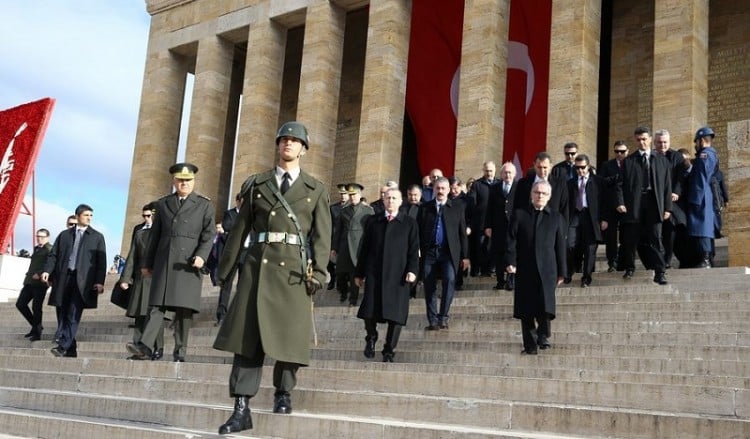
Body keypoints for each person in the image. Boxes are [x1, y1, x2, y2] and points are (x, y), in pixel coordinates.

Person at [213, 121, 331, 435]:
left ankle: (283, 391)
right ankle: (241, 409)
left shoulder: (315, 189)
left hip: (294, 271)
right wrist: (224, 271)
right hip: (257, 268)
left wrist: (319, 272)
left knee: (289, 338)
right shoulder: (256, 184)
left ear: (303, 149)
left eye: (295, 140)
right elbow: (239, 231)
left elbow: (321, 236)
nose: (288, 144)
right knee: (246, 340)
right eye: (284, 139)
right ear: (277, 145)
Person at [126, 162, 215, 362]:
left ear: (194, 181)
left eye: (188, 180)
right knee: (156, 306)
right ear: (174, 181)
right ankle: (145, 346)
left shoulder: (204, 204)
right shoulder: (163, 204)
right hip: (164, 262)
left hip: (188, 264)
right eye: (181, 180)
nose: (184, 183)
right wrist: (146, 264)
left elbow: (208, 235)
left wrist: (202, 255)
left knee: (184, 311)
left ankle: (180, 351)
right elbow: (154, 237)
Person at [355, 188, 419, 362]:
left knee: (396, 316)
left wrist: (413, 271)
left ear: (400, 201)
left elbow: (414, 250)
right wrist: (359, 273)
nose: (390, 201)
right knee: (368, 311)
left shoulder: (409, 223)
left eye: (394, 198)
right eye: (387, 198)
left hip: (399, 275)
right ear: (383, 201)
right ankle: (371, 336)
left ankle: (389, 350)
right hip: (374, 273)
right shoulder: (373, 221)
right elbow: (364, 249)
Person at [505, 180, 566, 355]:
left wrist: (562, 271)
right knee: (525, 309)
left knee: (545, 306)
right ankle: (530, 345)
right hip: (524, 268)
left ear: (549, 197)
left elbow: (560, 245)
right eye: (537, 192)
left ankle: (543, 336)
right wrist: (510, 261)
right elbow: (511, 241)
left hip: (547, 269)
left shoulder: (555, 217)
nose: (540, 196)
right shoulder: (520, 214)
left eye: (543, 193)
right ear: (531, 194)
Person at [42, 204, 107, 357]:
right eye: (86, 215)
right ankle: (71, 349)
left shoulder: (97, 237)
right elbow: (53, 255)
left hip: (83, 281)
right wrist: (47, 271)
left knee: (73, 313)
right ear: (77, 216)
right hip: (64, 278)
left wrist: (99, 281)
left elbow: (101, 262)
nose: (89, 218)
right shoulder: (64, 235)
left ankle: (63, 346)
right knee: (62, 312)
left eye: (91, 215)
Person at [616, 126, 672, 284]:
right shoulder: (629, 161)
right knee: (631, 239)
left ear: (650, 139)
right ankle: (630, 267)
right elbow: (620, 184)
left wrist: (668, 207)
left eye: (644, 139)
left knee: (656, 238)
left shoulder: (661, 160)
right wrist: (620, 202)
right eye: (638, 140)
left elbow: (667, 186)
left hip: (655, 204)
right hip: (635, 204)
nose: (641, 142)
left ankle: (660, 272)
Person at [417, 176, 469, 330]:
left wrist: (465, 256)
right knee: (429, 285)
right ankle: (432, 320)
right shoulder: (425, 208)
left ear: (448, 190)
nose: (440, 191)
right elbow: (418, 231)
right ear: (434, 189)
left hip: (448, 253)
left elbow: (462, 234)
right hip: (430, 253)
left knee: (450, 280)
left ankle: (443, 317)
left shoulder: (457, 209)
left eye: (443, 188)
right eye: (438, 188)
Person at [118, 203, 164, 360]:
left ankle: (158, 348)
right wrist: (125, 278)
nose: (147, 219)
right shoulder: (140, 234)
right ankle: (137, 348)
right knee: (139, 314)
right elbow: (132, 257)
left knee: (155, 315)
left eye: (150, 216)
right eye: (145, 216)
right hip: (141, 278)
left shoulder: (166, 234)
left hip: (159, 279)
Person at [332, 183, 374, 305]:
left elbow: (371, 231)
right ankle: (343, 291)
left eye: (354, 195)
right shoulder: (344, 211)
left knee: (354, 273)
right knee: (339, 273)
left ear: (360, 195)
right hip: (344, 246)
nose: (352, 197)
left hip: (358, 246)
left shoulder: (368, 211)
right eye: (350, 195)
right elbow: (338, 231)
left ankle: (353, 299)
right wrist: (334, 247)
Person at [566, 154, 604, 288]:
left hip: (590, 217)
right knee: (569, 244)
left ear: (588, 166)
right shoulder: (570, 183)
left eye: (582, 167)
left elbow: (603, 202)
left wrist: (604, 219)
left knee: (590, 248)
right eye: (577, 168)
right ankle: (570, 270)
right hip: (575, 216)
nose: (580, 171)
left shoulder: (598, 181)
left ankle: (586, 277)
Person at [686, 126, 719, 268]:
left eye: (696, 142)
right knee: (703, 227)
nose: (695, 145)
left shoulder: (705, 154)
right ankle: (708, 259)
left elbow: (701, 177)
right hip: (703, 194)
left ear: (701, 140)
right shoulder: (708, 154)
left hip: (701, 195)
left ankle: (705, 259)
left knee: (702, 227)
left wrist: (695, 198)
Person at [653, 129, 686, 269]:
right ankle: (658, 259)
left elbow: (680, 177)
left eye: (665, 142)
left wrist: (676, 192)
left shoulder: (677, 156)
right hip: (654, 200)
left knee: (672, 227)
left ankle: (667, 259)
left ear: (669, 142)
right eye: (659, 142)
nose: (662, 145)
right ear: (655, 143)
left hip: (671, 200)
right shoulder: (651, 157)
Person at [15, 228, 52, 341]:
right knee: (20, 304)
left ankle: (37, 332)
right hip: (29, 281)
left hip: (40, 283)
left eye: (42, 237)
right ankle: (36, 326)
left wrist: (41, 273)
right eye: (38, 236)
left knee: (36, 307)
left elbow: (51, 263)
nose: (39, 239)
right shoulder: (36, 249)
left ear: (47, 237)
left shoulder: (49, 249)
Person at [515, 152, 570, 227]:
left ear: (550, 166)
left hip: (551, 227)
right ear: (534, 165)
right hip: (527, 226)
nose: (542, 171)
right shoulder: (523, 183)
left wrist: (563, 230)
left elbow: (564, 208)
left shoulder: (560, 184)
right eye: (539, 167)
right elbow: (517, 205)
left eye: (545, 167)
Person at [485, 162, 516, 290]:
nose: (507, 175)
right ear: (501, 174)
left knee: (511, 252)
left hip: (513, 226)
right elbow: (489, 208)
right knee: (498, 254)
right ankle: (500, 281)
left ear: (514, 174)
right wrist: (488, 226)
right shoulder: (495, 188)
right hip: (498, 227)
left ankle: (510, 280)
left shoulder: (518, 187)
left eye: (510, 172)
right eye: (505, 172)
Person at [598, 141, 628, 271]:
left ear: (627, 151)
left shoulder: (631, 163)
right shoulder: (607, 165)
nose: (619, 154)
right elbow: (601, 183)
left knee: (626, 235)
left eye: (622, 151)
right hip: (610, 207)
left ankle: (624, 261)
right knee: (611, 237)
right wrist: (615, 178)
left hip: (628, 206)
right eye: (616, 151)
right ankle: (612, 262)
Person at [468, 161, 499, 277]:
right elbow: (472, 203)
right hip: (481, 222)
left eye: (491, 170)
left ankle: (492, 269)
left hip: (495, 221)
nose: (489, 173)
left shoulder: (499, 183)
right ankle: (479, 268)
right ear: (483, 170)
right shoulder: (477, 184)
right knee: (481, 246)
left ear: (495, 170)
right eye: (486, 171)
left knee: (493, 246)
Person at [215, 193, 243, 325]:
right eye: (242, 200)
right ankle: (221, 314)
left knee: (243, 285)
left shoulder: (251, 215)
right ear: (237, 201)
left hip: (246, 253)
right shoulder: (230, 214)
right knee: (226, 285)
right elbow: (227, 227)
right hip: (232, 253)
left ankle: (239, 314)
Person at [327, 184, 350, 290]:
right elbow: (329, 224)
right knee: (330, 261)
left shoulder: (352, 207)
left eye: (345, 194)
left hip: (346, 239)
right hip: (334, 238)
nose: (343, 196)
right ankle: (332, 279)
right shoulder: (333, 208)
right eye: (341, 194)